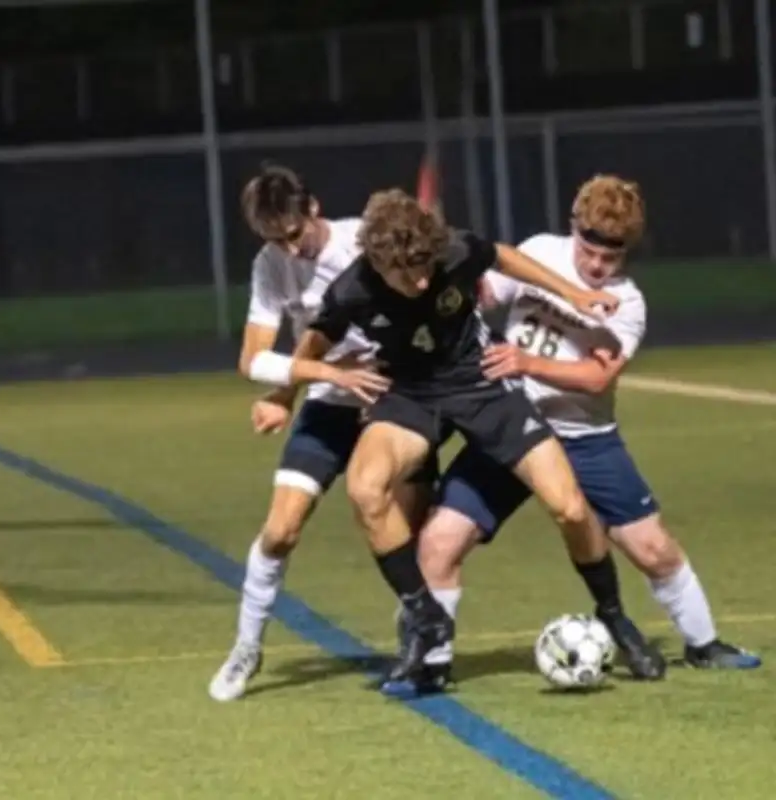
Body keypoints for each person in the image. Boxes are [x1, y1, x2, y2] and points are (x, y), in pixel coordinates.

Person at [274, 188, 664, 692]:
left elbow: (502, 255)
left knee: (569, 508)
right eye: (405, 273)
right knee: (366, 488)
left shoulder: (450, 250)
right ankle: (424, 619)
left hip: (483, 386)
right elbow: (315, 341)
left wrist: (575, 295)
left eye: (423, 267)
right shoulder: (353, 290)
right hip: (411, 395)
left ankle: (613, 614)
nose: (419, 279)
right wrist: (284, 395)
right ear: (376, 262)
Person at [399, 174, 760, 692]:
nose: (596, 266)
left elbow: (597, 378)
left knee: (654, 548)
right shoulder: (540, 252)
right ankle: (431, 664)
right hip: (509, 427)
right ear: (573, 230)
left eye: (609, 259)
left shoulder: (626, 302)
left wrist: (524, 360)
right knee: (438, 543)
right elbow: (482, 293)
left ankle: (703, 644)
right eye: (589, 252)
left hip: (585, 437)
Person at [209, 165, 432, 702]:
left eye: (293, 235)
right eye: (274, 240)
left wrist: (300, 379)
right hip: (329, 403)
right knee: (281, 529)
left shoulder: (365, 240)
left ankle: (418, 644)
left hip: (394, 398)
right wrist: (308, 385)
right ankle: (246, 647)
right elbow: (252, 359)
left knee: (405, 530)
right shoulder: (270, 266)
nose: (289, 250)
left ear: (313, 208)